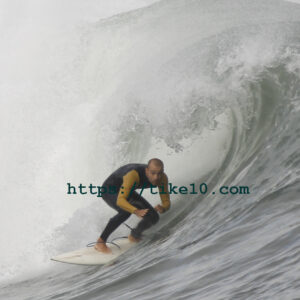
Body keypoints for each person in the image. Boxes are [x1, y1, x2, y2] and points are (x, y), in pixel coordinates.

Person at [94, 158, 170, 254]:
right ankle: (100, 242)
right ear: (147, 171)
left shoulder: (162, 179)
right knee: (125, 211)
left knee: (154, 216)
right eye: (153, 173)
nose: (156, 177)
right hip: (110, 189)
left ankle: (134, 235)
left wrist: (163, 208)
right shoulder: (133, 175)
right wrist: (135, 210)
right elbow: (121, 201)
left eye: (159, 173)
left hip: (127, 189)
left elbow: (166, 201)